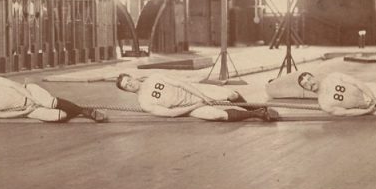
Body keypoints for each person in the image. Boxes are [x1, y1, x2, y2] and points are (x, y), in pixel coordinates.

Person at [115, 73, 279, 122]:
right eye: (126, 86)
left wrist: (201, 96)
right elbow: (171, 114)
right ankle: (257, 114)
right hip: (188, 109)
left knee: (231, 94)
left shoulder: (153, 77)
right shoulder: (144, 103)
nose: (130, 84)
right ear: (127, 91)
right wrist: (196, 106)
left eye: (129, 80)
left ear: (133, 77)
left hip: (196, 91)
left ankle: (253, 107)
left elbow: (180, 83)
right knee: (218, 115)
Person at [0, 71, 108, 122]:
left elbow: (14, 85)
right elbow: (1, 115)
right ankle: (77, 112)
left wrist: (32, 99)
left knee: (50, 102)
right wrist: (25, 112)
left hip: (30, 93)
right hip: (27, 110)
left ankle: (86, 112)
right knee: (60, 116)